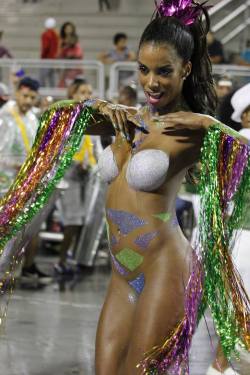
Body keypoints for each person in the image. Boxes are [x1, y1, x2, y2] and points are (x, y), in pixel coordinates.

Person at [0, 1, 249, 374]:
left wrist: (211, 127)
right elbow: (55, 119)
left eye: (164, 71)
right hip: (122, 275)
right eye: (144, 69)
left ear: (186, 69)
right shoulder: (126, 121)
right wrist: (91, 105)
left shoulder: (190, 127)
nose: (152, 82)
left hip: (165, 268)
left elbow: (244, 153)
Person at [0, 77, 51, 287]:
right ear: (17, 92)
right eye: (26, 95)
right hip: (3, 182)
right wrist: (16, 165)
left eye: (33, 97)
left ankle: (7, 272)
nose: (29, 101)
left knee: (17, 230)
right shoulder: (3, 117)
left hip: (25, 184)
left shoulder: (32, 119)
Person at [58, 22, 84, 87]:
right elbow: (60, 55)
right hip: (66, 71)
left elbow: (78, 55)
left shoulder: (76, 46)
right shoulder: (63, 45)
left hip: (75, 71)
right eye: (66, 29)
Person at [40, 17, 59, 87]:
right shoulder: (56, 35)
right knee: (52, 78)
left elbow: (45, 47)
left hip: (47, 59)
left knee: (42, 78)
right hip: (54, 59)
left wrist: (43, 56)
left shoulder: (45, 34)